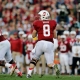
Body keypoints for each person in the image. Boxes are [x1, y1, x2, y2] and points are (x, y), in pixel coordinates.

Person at [27, 10, 60, 78]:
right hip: (50, 44)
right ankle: (55, 66)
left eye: (40, 16)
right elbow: (55, 36)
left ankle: (29, 74)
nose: (39, 17)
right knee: (50, 63)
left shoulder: (37, 23)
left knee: (35, 59)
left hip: (41, 43)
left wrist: (37, 34)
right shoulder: (52, 22)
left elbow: (33, 35)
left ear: (42, 16)